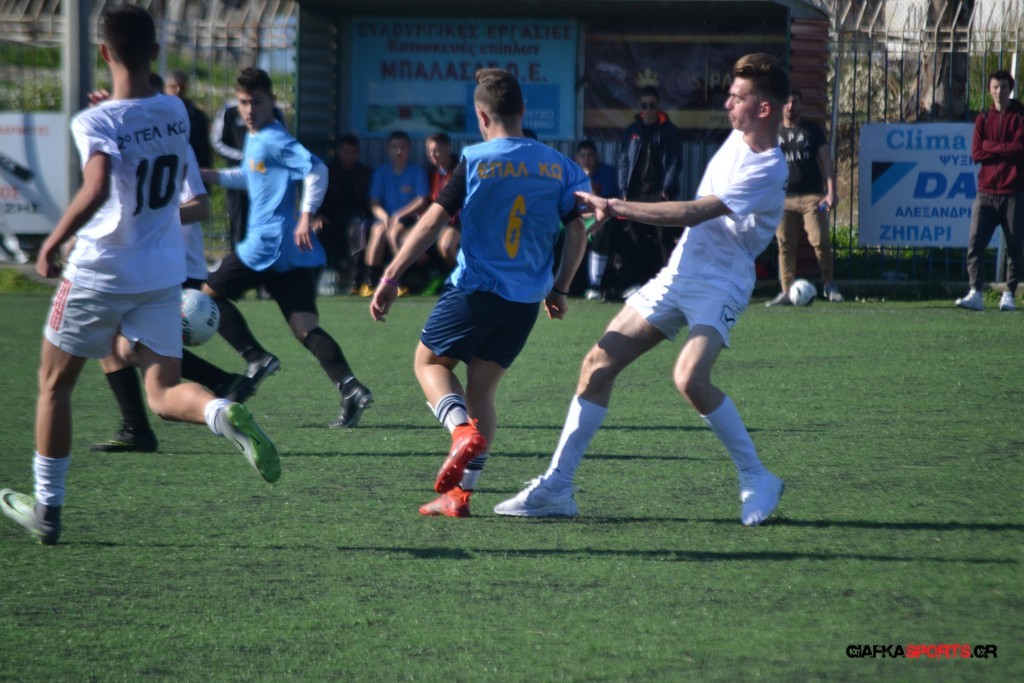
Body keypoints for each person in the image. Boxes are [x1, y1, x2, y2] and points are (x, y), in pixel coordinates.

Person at [0, 6, 280, 545]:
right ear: (155, 53)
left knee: (54, 385)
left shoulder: (95, 121)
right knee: (164, 390)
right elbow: (145, 128)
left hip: (99, 271)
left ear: (104, 52)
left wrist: (53, 241)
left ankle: (47, 509)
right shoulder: (174, 110)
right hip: (159, 274)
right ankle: (222, 411)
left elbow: (98, 185)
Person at [495, 53, 790, 527]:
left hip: (724, 281)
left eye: (738, 98)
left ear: (764, 109)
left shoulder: (770, 168)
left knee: (689, 378)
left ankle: (757, 477)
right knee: (597, 363)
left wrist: (616, 206)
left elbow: (693, 212)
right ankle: (557, 487)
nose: (728, 104)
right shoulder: (738, 135)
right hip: (681, 272)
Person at [369, 68, 590, 518]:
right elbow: (578, 231)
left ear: (482, 116)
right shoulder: (560, 165)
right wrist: (560, 288)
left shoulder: (475, 159)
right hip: (524, 303)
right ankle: (460, 495)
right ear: (523, 110)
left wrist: (391, 276)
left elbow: (432, 223)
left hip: (476, 291)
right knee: (482, 390)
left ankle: (459, 432)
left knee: (429, 363)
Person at [87, 78, 257, 454]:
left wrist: (146, 220)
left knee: (127, 350)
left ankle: (214, 396)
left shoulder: (173, 143)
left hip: (166, 265)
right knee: (120, 344)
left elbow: (200, 206)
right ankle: (215, 391)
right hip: (141, 262)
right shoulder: (128, 139)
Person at [201, 67, 374, 429]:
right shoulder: (256, 138)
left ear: (272, 101)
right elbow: (251, 176)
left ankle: (255, 357)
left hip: (267, 244)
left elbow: (317, 169)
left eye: (257, 102)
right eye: (244, 103)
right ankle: (350, 387)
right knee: (305, 327)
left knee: (207, 297)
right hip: (290, 253)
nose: (250, 110)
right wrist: (213, 176)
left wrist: (305, 214)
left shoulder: (274, 138)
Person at [766, 88, 844, 306]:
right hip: (783, 199)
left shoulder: (812, 130)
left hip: (813, 198)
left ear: (801, 105)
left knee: (820, 240)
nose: (791, 106)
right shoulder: (772, 132)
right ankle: (786, 291)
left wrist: (831, 192)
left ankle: (829, 285)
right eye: (787, 102)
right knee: (785, 244)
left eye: (795, 102)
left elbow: (826, 162)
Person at [954, 69, 1024, 312]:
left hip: (1013, 191)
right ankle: (975, 291)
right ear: (990, 90)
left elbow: (1019, 149)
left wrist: (991, 147)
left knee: (1015, 245)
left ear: (1010, 89)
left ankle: (1009, 293)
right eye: (995, 87)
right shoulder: (983, 118)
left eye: (1003, 87)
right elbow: (977, 152)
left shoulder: (1020, 117)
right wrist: (1002, 149)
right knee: (976, 242)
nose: (999, 91)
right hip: (985, 192)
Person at [617, 85, 683, 294]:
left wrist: (667, 189)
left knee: (664, 240)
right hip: (636, 194)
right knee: (637, 241)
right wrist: (624, 190)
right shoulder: (632, 131)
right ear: (639, 107)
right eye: (644, 106)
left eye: (652, 106)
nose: (648, 110)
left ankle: (667, 286)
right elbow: (623, 161)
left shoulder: (669, 131)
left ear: (658, 106)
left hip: (659, 194)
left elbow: (675, 162)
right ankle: (641, 284)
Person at [359, 130, 429, 295]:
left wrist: (398, 215)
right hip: (386, 218)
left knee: (395, 233)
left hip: (410, 218)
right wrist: (385, 217)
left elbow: (422, 200)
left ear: (409, 148)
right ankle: (370, 281)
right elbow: (374, 203)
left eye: (403, 147)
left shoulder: (417, 171)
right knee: (378, 231)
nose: (399, 151)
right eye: (395, 147)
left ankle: (399, 280)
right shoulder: (381, 172)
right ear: (388, 149)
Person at [212, 96, 284, 248]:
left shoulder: (274, 111)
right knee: (239, 226)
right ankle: (238, 258)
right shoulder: (229, 110)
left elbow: (283, 141)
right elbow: (217, 142)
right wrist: (244, 157)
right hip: (237, 179)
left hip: (265, 179)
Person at [318, 134, 373, 294]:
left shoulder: (365, 173)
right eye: (346, 153)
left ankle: (354, 281)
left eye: (352, 153)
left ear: (358, 153)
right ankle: (315, 279)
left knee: (358, 231)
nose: (349, 157)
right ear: (339, 152)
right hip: (330, 218)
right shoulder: (328, 171)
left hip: (355, 218)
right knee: (318, 232)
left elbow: (369, 202)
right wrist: (317, 216)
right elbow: (318, 197)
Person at [575, 139, 621, 301]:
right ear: (577, 158)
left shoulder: (607, 173)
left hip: (600, 217)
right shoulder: (572, 173)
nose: (586, 159)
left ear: (597, 156)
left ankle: (595, 284)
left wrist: (589, 181)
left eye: (590, 155)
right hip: (578, 217)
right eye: (582, 156)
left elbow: (603, 205)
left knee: (601, 230)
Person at [425, 132, 461, 275]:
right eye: (430, 151)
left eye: (437, 150)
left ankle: (461, 278)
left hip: (458, 222)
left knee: (446, 247)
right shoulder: (431, 173)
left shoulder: (460, 170)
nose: (433, 155)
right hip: (438, 220)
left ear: (448, 149)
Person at [165, 70, 212, 168]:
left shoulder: (197, 116)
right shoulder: (157, 114)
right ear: (165, 88)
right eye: (173, 86)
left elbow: (203, 148)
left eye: (182, 87)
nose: (178, 90)